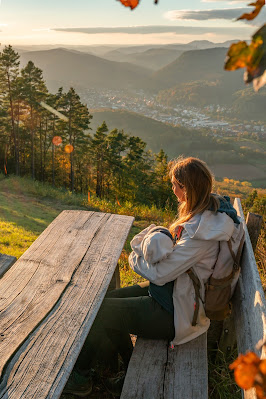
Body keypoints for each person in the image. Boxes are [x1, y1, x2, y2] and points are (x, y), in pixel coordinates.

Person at [64, 156, 242, 397]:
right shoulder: (205, 213)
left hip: (177, 312)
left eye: (174, 185)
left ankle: (81, 380)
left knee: (101, 313)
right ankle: (123, 368)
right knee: (103, 303)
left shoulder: (203, 234)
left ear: (186, 189)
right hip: (173, 292)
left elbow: (160, 274)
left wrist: (133, 258)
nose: (172, 189)